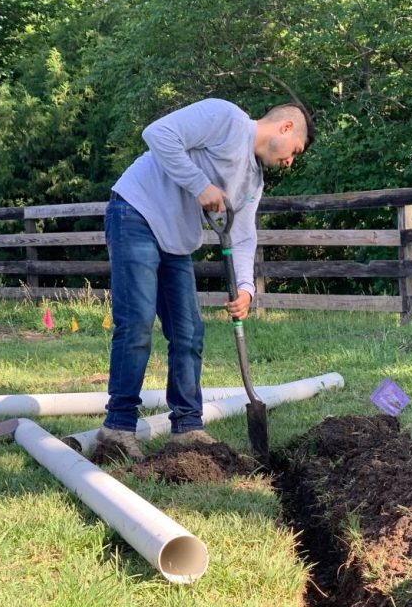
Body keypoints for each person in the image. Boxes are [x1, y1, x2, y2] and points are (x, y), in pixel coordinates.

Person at [96, 98, 315, 459]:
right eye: (295, 151)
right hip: (136, 212)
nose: (291, 161)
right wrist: (200, 185)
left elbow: (242, 236)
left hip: (176, 239)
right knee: (136, 323)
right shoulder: (225, 117)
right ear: (285, 128)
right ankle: (117, 428)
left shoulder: (252, 180)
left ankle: (186, 427)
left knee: (189, 332)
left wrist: (246, 288)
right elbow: (157, 133)